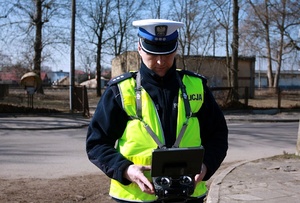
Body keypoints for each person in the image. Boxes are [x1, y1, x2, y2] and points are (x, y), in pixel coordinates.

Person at [86, 19, 228, 203]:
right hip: (135, 197)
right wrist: (126, 170)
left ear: (175, 49)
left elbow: (218, 135)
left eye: (167, 53)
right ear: (139, 48)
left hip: (188, 195)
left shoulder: (196, 87)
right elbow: (96, 144)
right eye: (152, 53)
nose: (160, 61)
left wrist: (206, 165)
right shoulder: (120, 91)